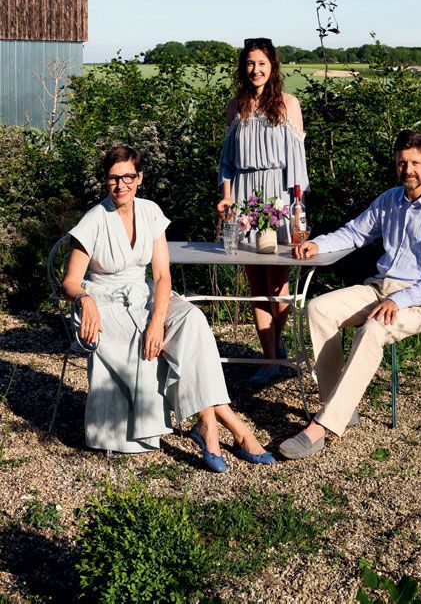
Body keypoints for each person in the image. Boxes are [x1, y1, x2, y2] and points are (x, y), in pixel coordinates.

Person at [61, 145, 275, 471]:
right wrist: (85, 300)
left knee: (192, 319)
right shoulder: (94, 219)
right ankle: (231, 427)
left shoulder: (150, 212)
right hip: (103, 301)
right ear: (106, 181)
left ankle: (208, 424)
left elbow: (162, 275)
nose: (121, 185)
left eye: (128, 177)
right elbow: (70, 281)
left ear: (140, 177)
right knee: (146, 339)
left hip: (143, 292)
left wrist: (159, 318)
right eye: (113, 179)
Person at [279, 130, 421, 459]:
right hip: (380, 288)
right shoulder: (390, 199)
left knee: (372, 329)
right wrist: (318, 244)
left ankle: (322, 427)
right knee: (318, 308)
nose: (407, 169)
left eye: (415, 163)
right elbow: (354, 233)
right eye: (401, 162)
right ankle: (339, 404)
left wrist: (400, 301)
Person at [217, 37, 310, 386]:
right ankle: (271, 360)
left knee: (279, 285)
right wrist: (226, 199)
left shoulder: (288, 104)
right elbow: (226, 162)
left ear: (273, 68)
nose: (255, 70)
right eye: (250, 64)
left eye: (262, 64)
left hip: (279, 199)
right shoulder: (235, 106)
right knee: (256, 285)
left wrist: (298, 208)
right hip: (243, 198)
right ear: (244, 67)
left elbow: (297, 166)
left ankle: (279, 345)